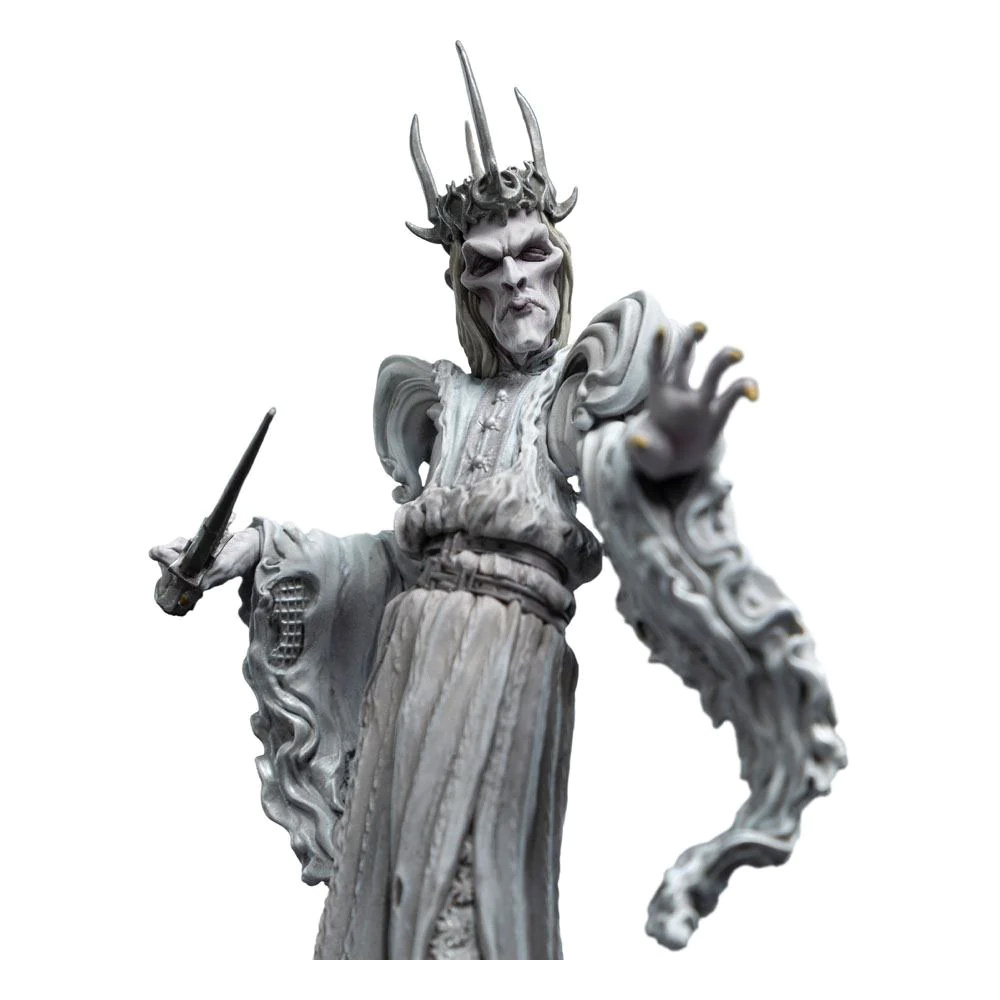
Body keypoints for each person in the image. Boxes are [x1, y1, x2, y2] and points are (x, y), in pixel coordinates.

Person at [150, 42, 845, 960]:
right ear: (466, 289)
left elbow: (612, 465)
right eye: (488, 265)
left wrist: (665, 451)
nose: (515, 279)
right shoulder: (442, 402)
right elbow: (394, 564)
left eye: (531, 255)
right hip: (411, 657)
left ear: (559, 264)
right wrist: (259, 548)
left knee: (469, 891)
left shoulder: (571, 393)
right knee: (390, 883)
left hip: (503, 656)